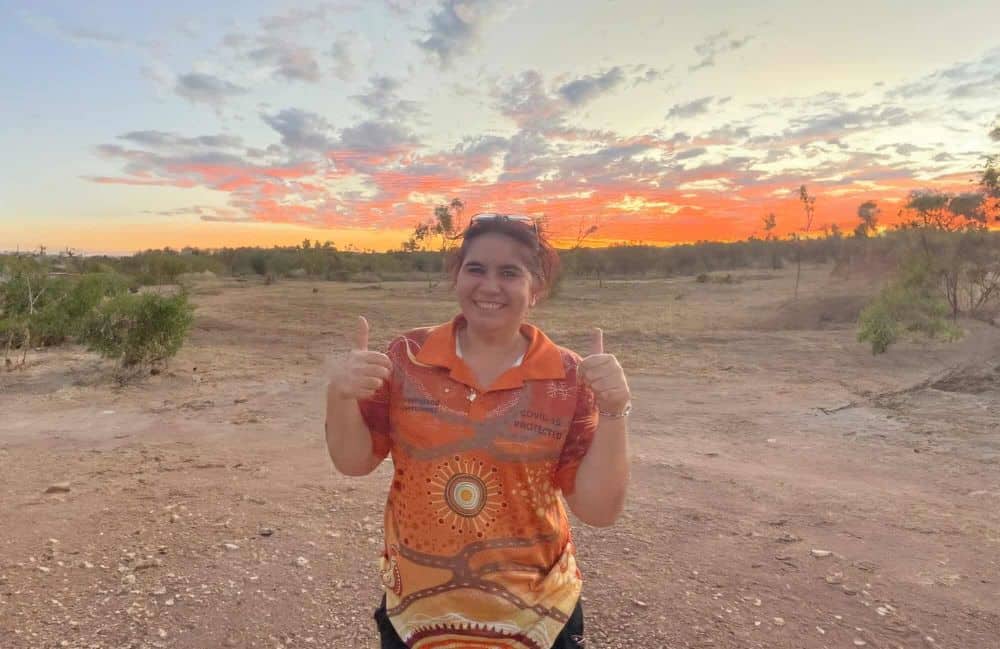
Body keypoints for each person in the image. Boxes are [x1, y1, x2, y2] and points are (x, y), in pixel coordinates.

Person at [324, 213, 631, 649]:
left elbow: (600, 511)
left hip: (536, 615)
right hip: (419, 611)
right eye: (476, 269)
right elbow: (353, 462)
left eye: (510, 272)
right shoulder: (407, 357)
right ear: (457, 276)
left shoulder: (567, 377)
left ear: (536, 288)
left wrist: (616, 410)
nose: (490, 286)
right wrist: (339, 394)